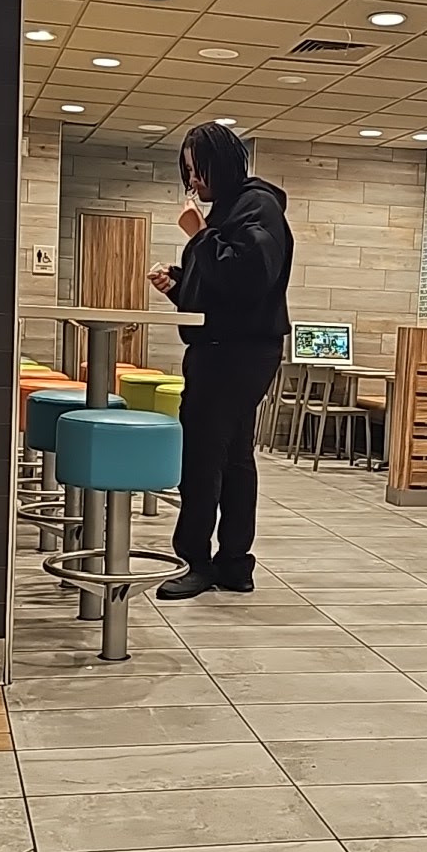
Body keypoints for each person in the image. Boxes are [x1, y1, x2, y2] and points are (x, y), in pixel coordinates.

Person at [149, 122, 293, 600]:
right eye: (188, 172)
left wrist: (200, 234)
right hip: (236, 348)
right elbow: (223, 289)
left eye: (199, 170)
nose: (193, 182)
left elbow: (250, 276)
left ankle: (197, 561)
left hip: (235, 353)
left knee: (204, 457)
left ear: (225, 164)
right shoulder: (238, 209)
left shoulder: (257, 205)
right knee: (232, 457)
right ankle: (233, 563)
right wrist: (179, 284)